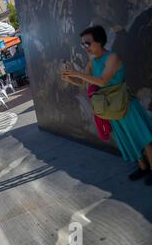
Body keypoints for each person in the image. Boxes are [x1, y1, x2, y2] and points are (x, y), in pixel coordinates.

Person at [62, 26, 152, 185]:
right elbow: (84, 82)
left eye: (87, 43)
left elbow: (103, 80)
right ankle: (142, 167)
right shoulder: (92, 61)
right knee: (126, 137)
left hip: (124, 102)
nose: (85, 47)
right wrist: (70, 79)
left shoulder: (112, 58)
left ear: (99, 42)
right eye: (83, 44)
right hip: (110, 105)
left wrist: (77, 74)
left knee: (142, 136)